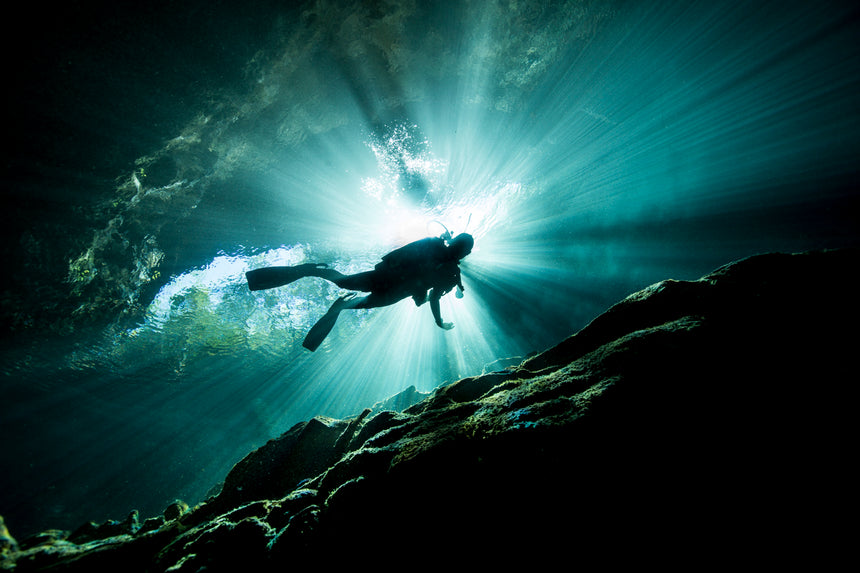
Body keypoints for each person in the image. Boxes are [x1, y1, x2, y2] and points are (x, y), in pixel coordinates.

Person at [246, 233, 474, 351]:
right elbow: (433, 297)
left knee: (344, 285)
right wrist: (438, 320)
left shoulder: (438, 252)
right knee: (346, 289)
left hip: (386, 283)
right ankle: (321, 281)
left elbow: (397, 255)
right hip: (390, 289)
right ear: (464, 251)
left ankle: (319, 279)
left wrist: (437, 318)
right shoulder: (450, 271)